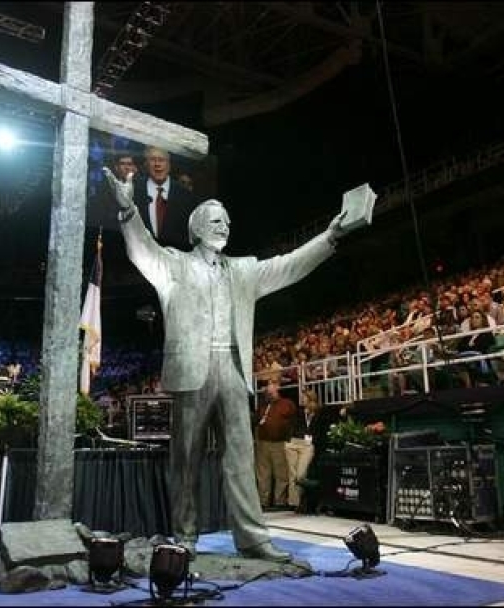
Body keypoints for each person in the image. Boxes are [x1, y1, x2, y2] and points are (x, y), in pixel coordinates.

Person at [103, 166, 352, 563]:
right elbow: (142, 248)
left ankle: (253, 539)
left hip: (234, 371)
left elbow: (290, 264)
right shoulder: (173, 265)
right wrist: (129, 209)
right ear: (197, 227)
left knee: (240, 458)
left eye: (228, 222)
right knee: (185, 461)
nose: (226, 227)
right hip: (192, 373)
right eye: (217, 221)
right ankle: (184, 538)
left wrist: (331, 235)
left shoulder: (244, 270)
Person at [133, 146, 198, 250]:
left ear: (169, 165)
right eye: (153, 160)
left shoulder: (186, 196)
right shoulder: (133, 191)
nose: (157, 164)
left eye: (162, 160)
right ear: (146, 165)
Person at [255, 380, 295, 510]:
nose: (269, 394)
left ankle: (280, 502)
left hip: (279, 442)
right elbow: (257, 421)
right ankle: (263, 501)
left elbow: (293, 421)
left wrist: (289, 438)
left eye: (271, 392)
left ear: (277, 391)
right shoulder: (263, 405)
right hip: (263, 443)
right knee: (263, 474)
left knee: (281, 473)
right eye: (267, 392)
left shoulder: (287, 404)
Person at [283, 388, 322, 511]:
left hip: (307, 445)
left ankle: (301, 501)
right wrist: (288, 439)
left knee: (300, 474)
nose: (302, 399)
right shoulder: (299, 412)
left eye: (304, 397)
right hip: (294, 442)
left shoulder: (319, 413)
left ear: (310, 399)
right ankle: (294, 503)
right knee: (292, 473)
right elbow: (291, 426)